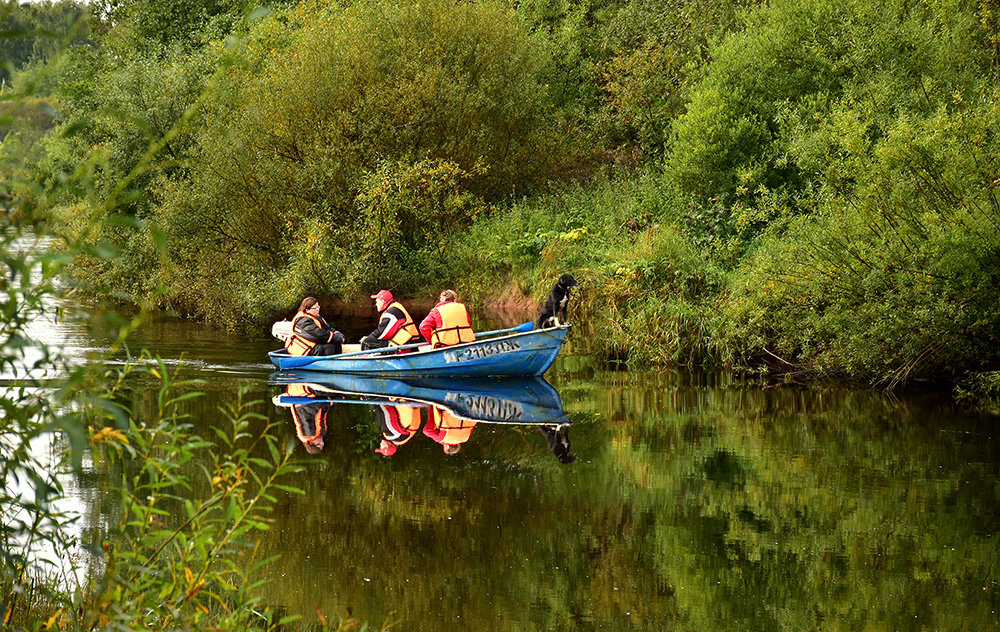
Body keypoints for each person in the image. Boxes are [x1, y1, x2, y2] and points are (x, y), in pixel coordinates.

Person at [285, 383, 331, 455]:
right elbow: (323, 412)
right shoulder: (320, 433)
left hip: (300, 393)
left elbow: (309, 410)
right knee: (336, 395)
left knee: (329, 392)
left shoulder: (308, 433)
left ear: (311, 443)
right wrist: (330, 402)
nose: (322, 442)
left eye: (318, 444)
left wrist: (327, 401)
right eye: (322, 444)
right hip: (311, 398)